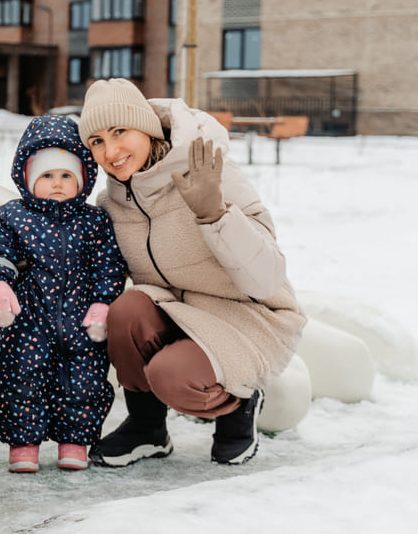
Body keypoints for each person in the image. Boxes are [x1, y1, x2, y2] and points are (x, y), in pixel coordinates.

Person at [77, 78, 306, 466]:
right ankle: (146, 427)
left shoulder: (210, 173)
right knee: (125, 310)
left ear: (147, 128)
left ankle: (239, 403)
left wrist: (215, 214)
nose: (110, 151)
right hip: (176, 311)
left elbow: (267, 279)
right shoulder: (114, 202)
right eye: (97, 141)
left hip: (246, 316)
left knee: (173, 376)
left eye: (119, 132)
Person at [0, 115, 127, 473]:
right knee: (19, 379)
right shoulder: (12, 216)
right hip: (25, 323)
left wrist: (103, 303)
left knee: (83, 380)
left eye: (65, 176)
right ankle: (23, 445)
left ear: (83, 179)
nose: (57, 184)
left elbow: (109, 264)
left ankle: (74, 442)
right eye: (46, 175)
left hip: (80, 322)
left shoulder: (94, 222)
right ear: (27, 177)